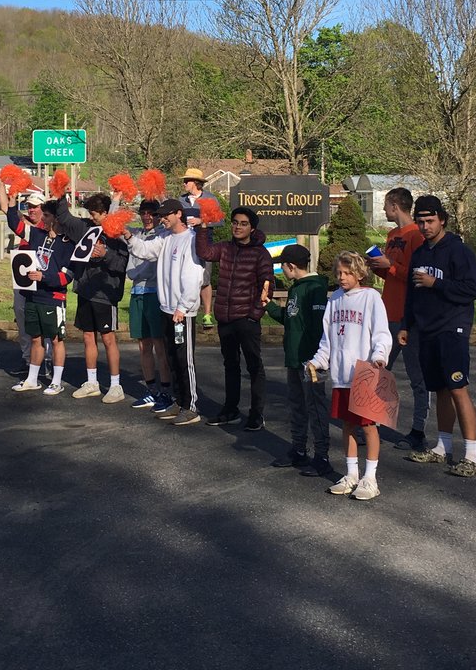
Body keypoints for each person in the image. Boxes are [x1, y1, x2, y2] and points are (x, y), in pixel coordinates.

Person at [402, 195, 476, 477]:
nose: (425, 226)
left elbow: (472, 289)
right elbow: (412, 293)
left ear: (442, 220)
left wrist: (435, 282)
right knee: (440, 390)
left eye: (430, 221)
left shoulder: (459, 251)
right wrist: (406, 325)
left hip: (453, 328)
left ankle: (472, 455)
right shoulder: (419, 254)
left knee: (457, 387)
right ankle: (442, 447)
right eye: (420, 221)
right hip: (427, 329)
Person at [308, 251, 392, 501]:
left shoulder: (371, 297)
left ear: (359, 273)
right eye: (339, 273)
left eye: (347, 273)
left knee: (368, 426)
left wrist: (379, 355)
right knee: (347, 425)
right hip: (341, 374)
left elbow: (381, 332)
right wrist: (318, 360)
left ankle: (370, 478)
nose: (342, 277)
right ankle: (351, 474)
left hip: (364, 373)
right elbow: (327, 338)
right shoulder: (334, 299)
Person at [122, 199, 205, 425]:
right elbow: (145, 251)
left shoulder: (191, 239)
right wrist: (129, 236)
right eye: (161, 215)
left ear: (178, 214)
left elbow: (193, 276)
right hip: (167, 309)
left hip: (182, 313)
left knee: (184, 359)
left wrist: (182, 307)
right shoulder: (165, 237)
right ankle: (179, 401)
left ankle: (191, 407)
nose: (162, 219)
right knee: (171, 358)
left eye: (166, 215)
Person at [195, 206, 274, 431]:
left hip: (246, 320)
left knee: (254, 367)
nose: (238, 227)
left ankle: (256, 414)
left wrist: (254, 315)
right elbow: (205, 253)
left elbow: (267, 285)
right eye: (235, 222)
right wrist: (203, 227)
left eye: (243, 224)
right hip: (225, 318)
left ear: (252, 228)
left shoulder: (260, 253)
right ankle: (230, 410)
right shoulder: (225, 248)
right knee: (230, 365)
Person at [367, 188, 428, 451]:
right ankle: (372, 426)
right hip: (387, 314)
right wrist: (378, 266)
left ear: (395, 206)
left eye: (385, 205)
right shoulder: (392, 235)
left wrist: (389, 266)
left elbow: (416, 276)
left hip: (409, 316)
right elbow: (391, 274)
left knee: (417, 376)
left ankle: (418, 431)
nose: (383, 210)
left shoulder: (416, 235)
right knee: (378, 372)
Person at [263, 244, 332, 476]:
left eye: (283, 266)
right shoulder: (296, 288)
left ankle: (322, 456)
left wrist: (315, 358)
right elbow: (291, 319)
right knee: (296, 406)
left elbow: (318, 327)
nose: (282, 270)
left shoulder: (314, 288)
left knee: (315, 407)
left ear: (291, 266)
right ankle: (299, 449)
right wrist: (269, 306)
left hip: (310, 360)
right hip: (294, 357)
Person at [55, 191, 129, 403]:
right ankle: (92, 382)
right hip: (85, 289)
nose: (91, 217)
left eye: (94, 214)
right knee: (88, 336)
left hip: (106, 293)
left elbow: (122, 264)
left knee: (108, 338)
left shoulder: (117, 233)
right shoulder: (87, 227)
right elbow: (64, 218)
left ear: (105, 213)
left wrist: (105, 254)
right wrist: (60, 192)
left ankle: (115, 385)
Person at [11, 199, 75, 396]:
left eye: (46, 216)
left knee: (56, 339)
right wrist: (11, 203)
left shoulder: (68, 243)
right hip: (33, 295)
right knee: (35, 338)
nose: (43, 219)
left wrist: (44, 277)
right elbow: (15, 224)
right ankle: (32, 379)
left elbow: (67, 276)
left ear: (56, 218)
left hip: (53, 298)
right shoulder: (37, 234)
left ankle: (56, 381)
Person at [125, 199, 172, 410]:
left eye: (151, 213)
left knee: (159, 345)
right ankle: (151, 390)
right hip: (137, 292)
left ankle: (166, 392)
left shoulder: (163, 234)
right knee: (143, 345)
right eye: (143, 212)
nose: (147, 217)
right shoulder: (136, 232)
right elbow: (113, 225)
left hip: (154, 293)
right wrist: (116, 198)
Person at [0, 181, 47, 378]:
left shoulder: (49, 225)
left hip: (42, 280)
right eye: (29, 206)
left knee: (44, 321)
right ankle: (27, 359)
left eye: (35, 206)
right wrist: (2, 182)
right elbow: (6, 208)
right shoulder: (24, 222)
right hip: (22, 279)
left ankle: (46, 360)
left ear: (43, 208)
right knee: (22, 319)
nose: (32, 210)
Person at [179, 167, 223, 327]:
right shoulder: (180, 200)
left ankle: (207, 314)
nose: (184, 183)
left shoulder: (210, 198)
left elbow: (220, 221)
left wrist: (201, 221)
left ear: (196, 182)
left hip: (205, 245)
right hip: (184, 244)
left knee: (204, 279)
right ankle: (185, 310)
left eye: (187, 181)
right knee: (184, 278)